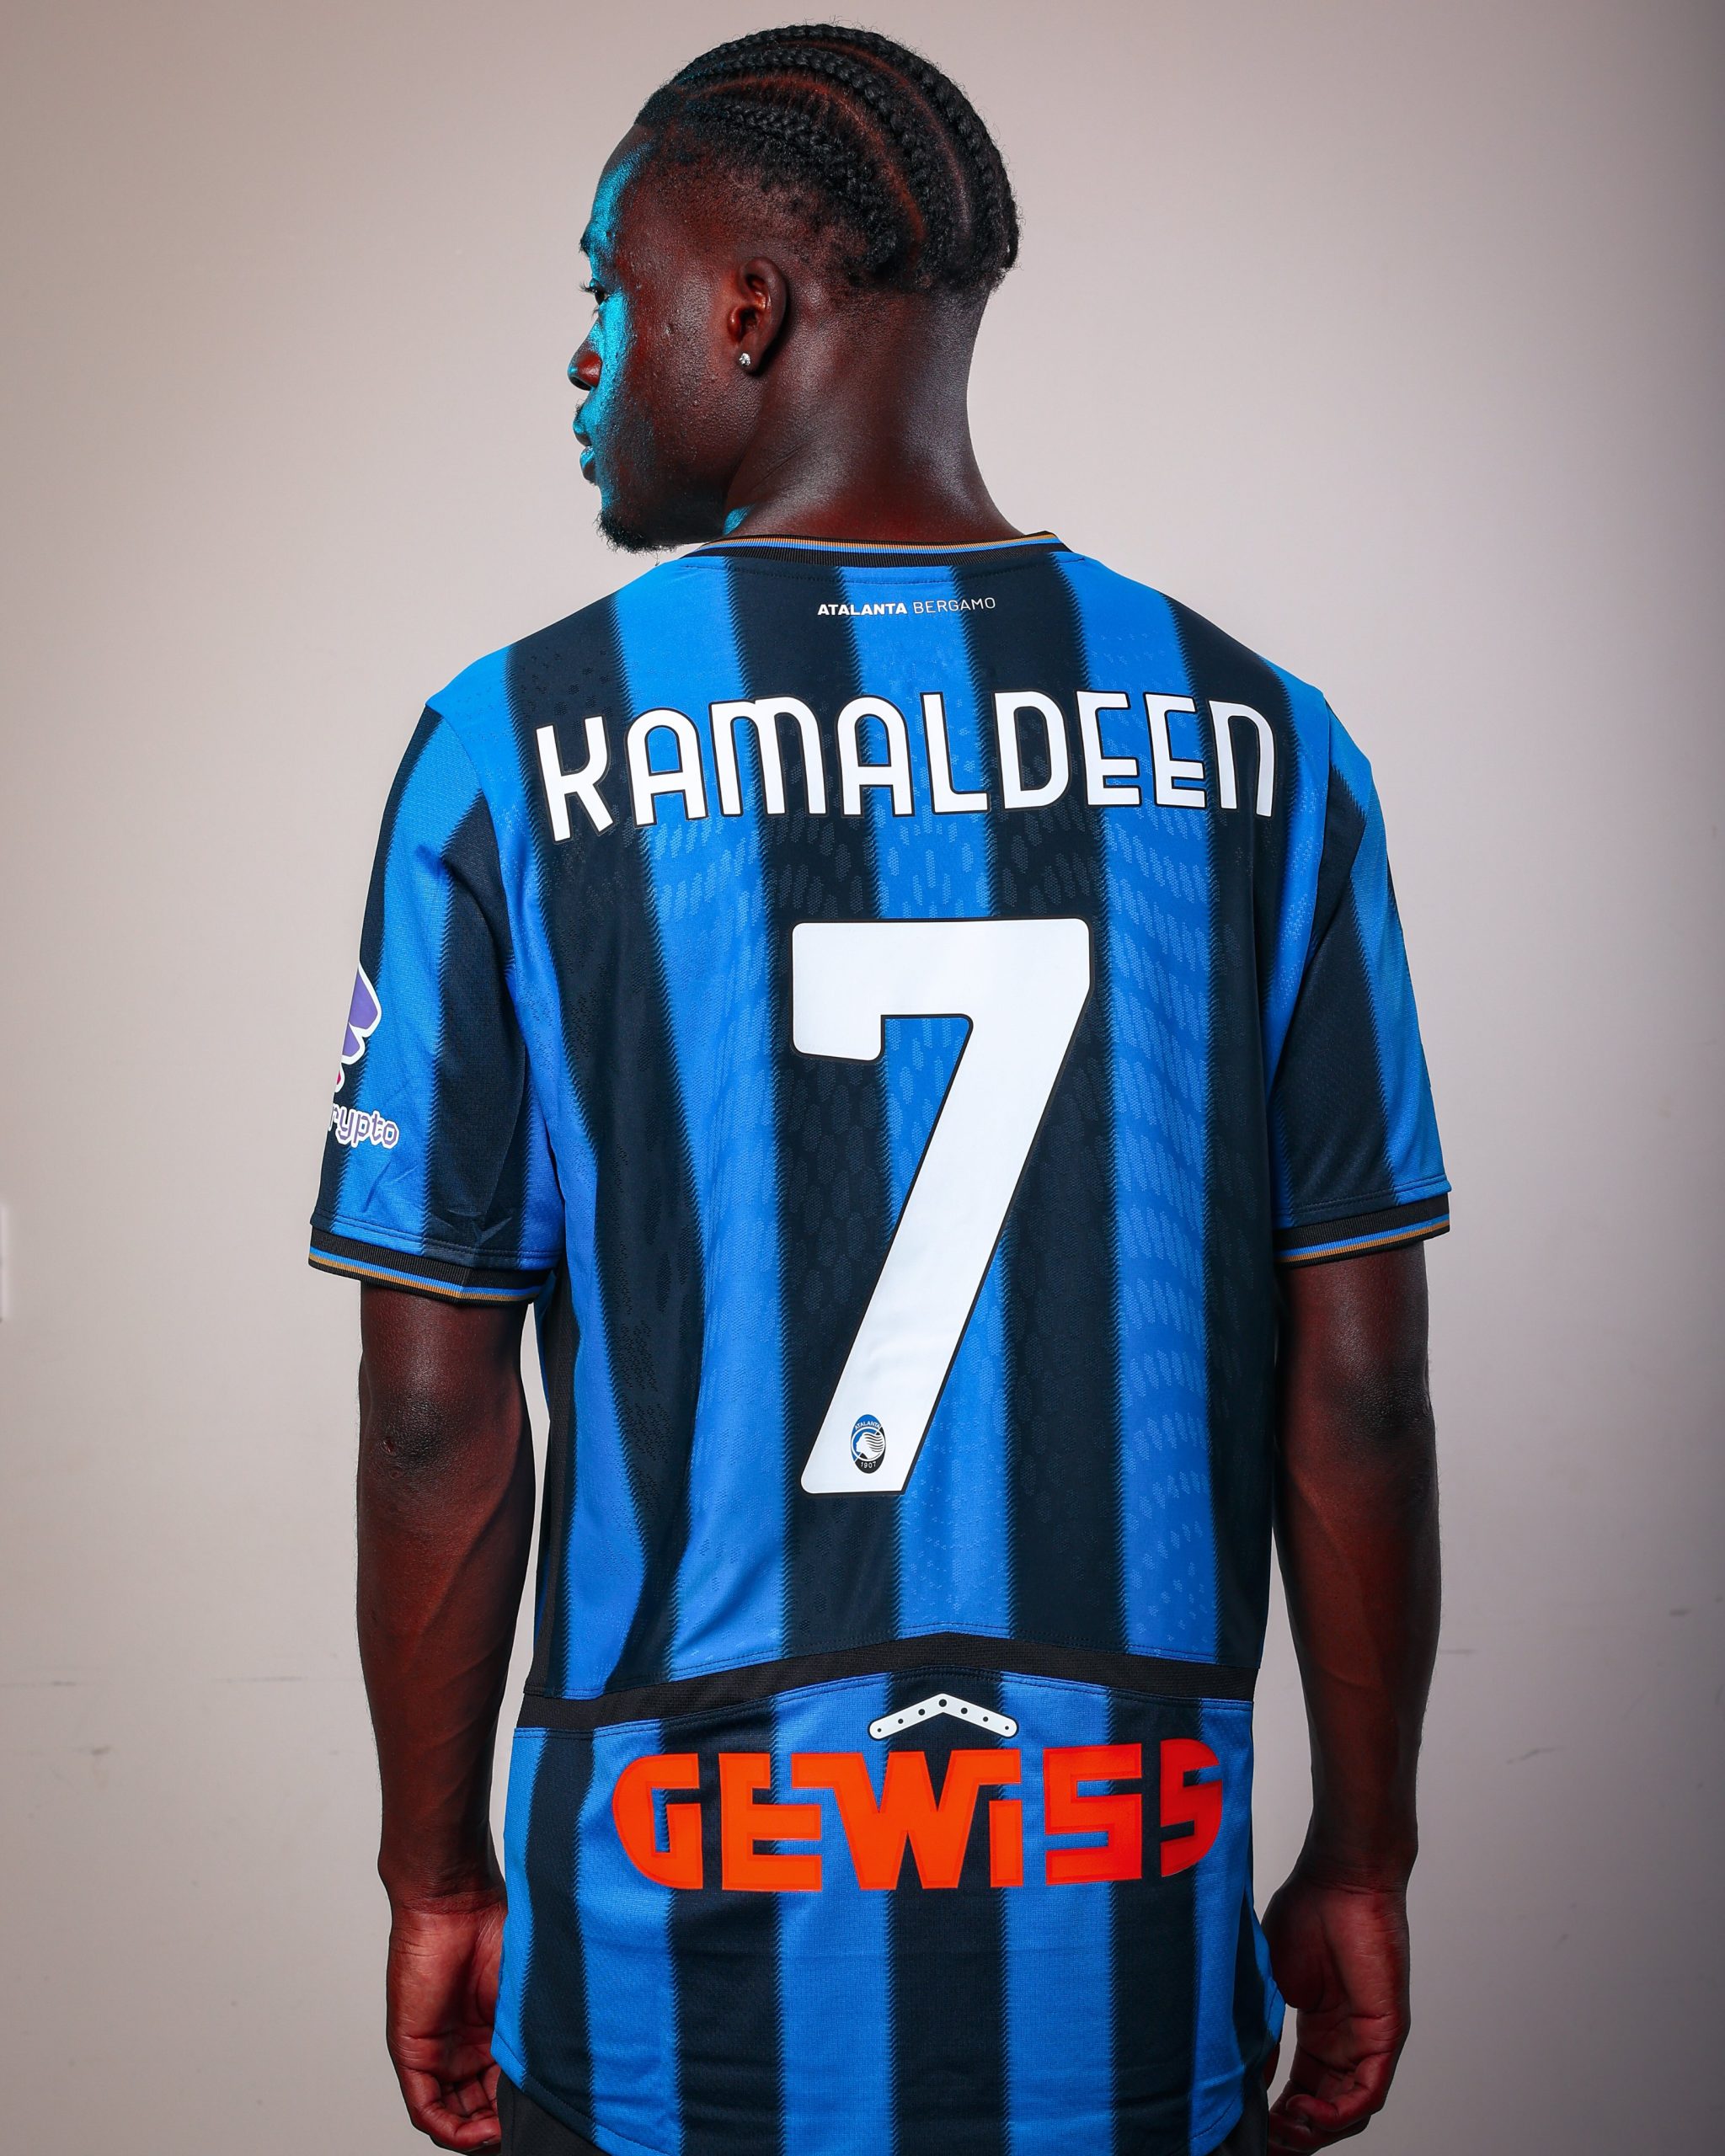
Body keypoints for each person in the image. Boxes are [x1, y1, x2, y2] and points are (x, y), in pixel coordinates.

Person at [310, 25, 1447, 2156]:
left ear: (746, 306)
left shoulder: (508, 751)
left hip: (661, 1953)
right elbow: (1362, 1389)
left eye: (610, 287)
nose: (583, 354)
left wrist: (436, 1869)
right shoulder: (1267, 747)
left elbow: (431, 1414)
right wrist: (1363, 1856)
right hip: (1126, 1918)